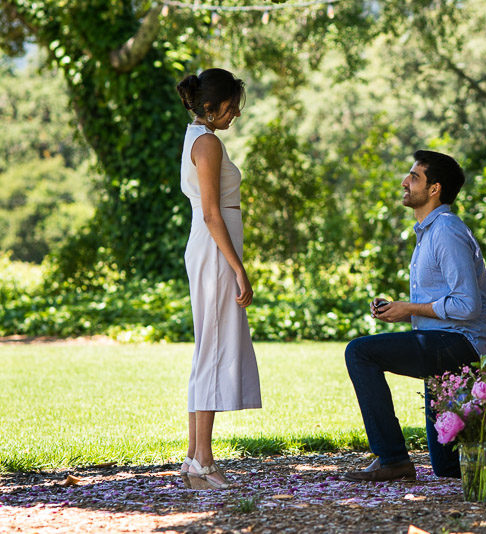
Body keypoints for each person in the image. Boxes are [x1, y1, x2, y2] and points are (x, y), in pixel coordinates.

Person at [343, 150, 486, 482]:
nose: (405, 181)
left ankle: (392, 459)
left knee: (359, 352)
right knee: (447, 465)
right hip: (444, 347)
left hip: (459, 347)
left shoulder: (446, 231)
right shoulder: (428, 233)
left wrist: (410, 308)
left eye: (414, 177)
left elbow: (467, 305)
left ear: (434, 189)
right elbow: (444, 307)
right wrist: (399, 312)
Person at [175, 68, 261, 490]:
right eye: (231, 106)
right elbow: (211, 213)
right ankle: (205, 462)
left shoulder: (200, 137)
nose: (236, 114)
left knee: (208, 346)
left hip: (212, 247)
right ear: (210, 107)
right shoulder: (207, 142)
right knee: (211, 348)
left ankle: (194, 458)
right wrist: (238, 268)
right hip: (214, 251)